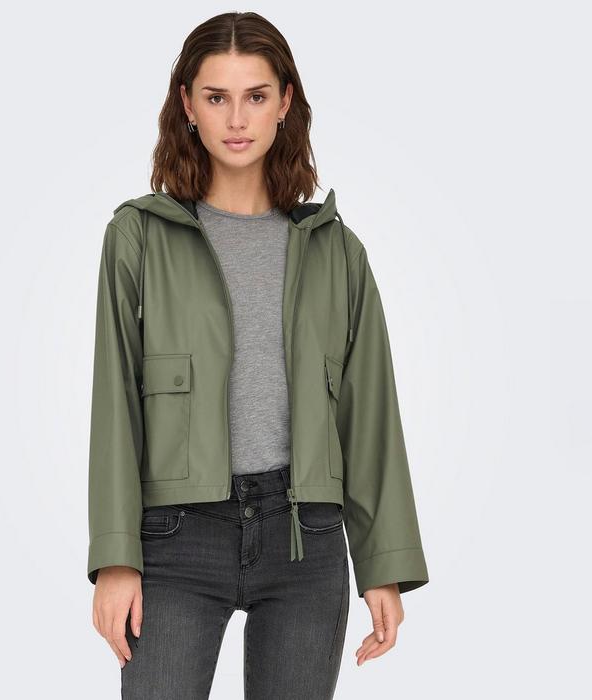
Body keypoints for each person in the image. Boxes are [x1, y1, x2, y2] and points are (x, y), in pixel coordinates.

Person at [87, 11, 429, 699]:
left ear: (285, 102)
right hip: (176, 536)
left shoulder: (337, 251)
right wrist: (116, 557)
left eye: (256, 95)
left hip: (307, 535)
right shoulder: (139, 237)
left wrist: (383, 565)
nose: (237, 119)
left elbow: (369, 414)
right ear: (187, 104)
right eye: (217, 97)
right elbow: (114, 405)